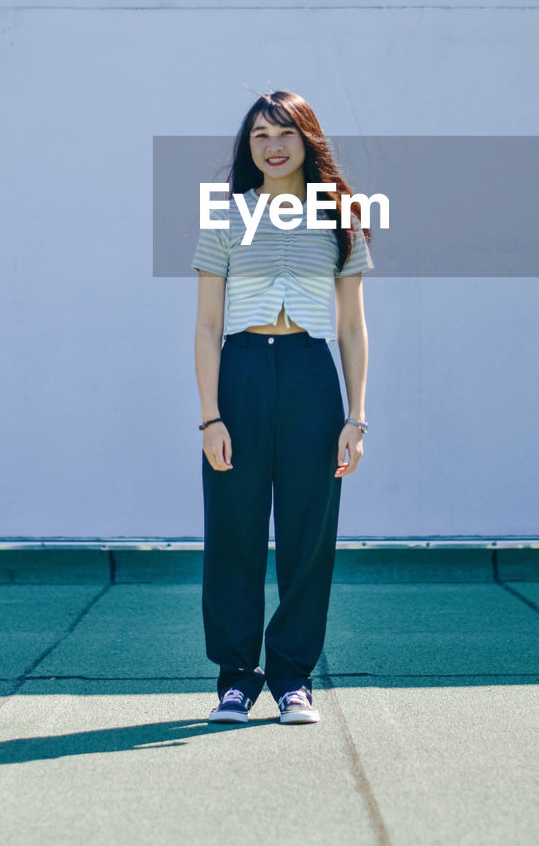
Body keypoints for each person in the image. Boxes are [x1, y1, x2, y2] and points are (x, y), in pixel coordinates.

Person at [191, 89, 373, 726]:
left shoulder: (338, 217)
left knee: (308, 535)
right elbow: (208, 321)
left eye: (285, 133)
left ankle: (293, 678)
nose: (272, 146)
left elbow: (351, 326)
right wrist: (211, 416)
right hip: (240, 374)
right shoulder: (225, 215)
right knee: (234, 533)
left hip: (309, 378)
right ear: (249, 146)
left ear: (307, 141)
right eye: (260, 135)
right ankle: (237, 680)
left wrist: (356, 417)